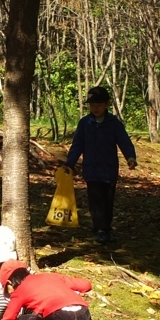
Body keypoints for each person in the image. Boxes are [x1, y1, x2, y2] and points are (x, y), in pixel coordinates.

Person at [64, 86, 137, 244]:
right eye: (92, 105)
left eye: (99, 105)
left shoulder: (113, 123)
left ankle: (106, 228)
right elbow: (77, 144)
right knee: (95, 200)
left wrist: (130, 157)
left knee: (107, 200)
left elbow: (124, 141)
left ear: (106, 104)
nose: (95, 108)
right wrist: (70, 163)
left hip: (109, 170)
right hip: (92, 170)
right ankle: (100, 229)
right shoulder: (85, 123)